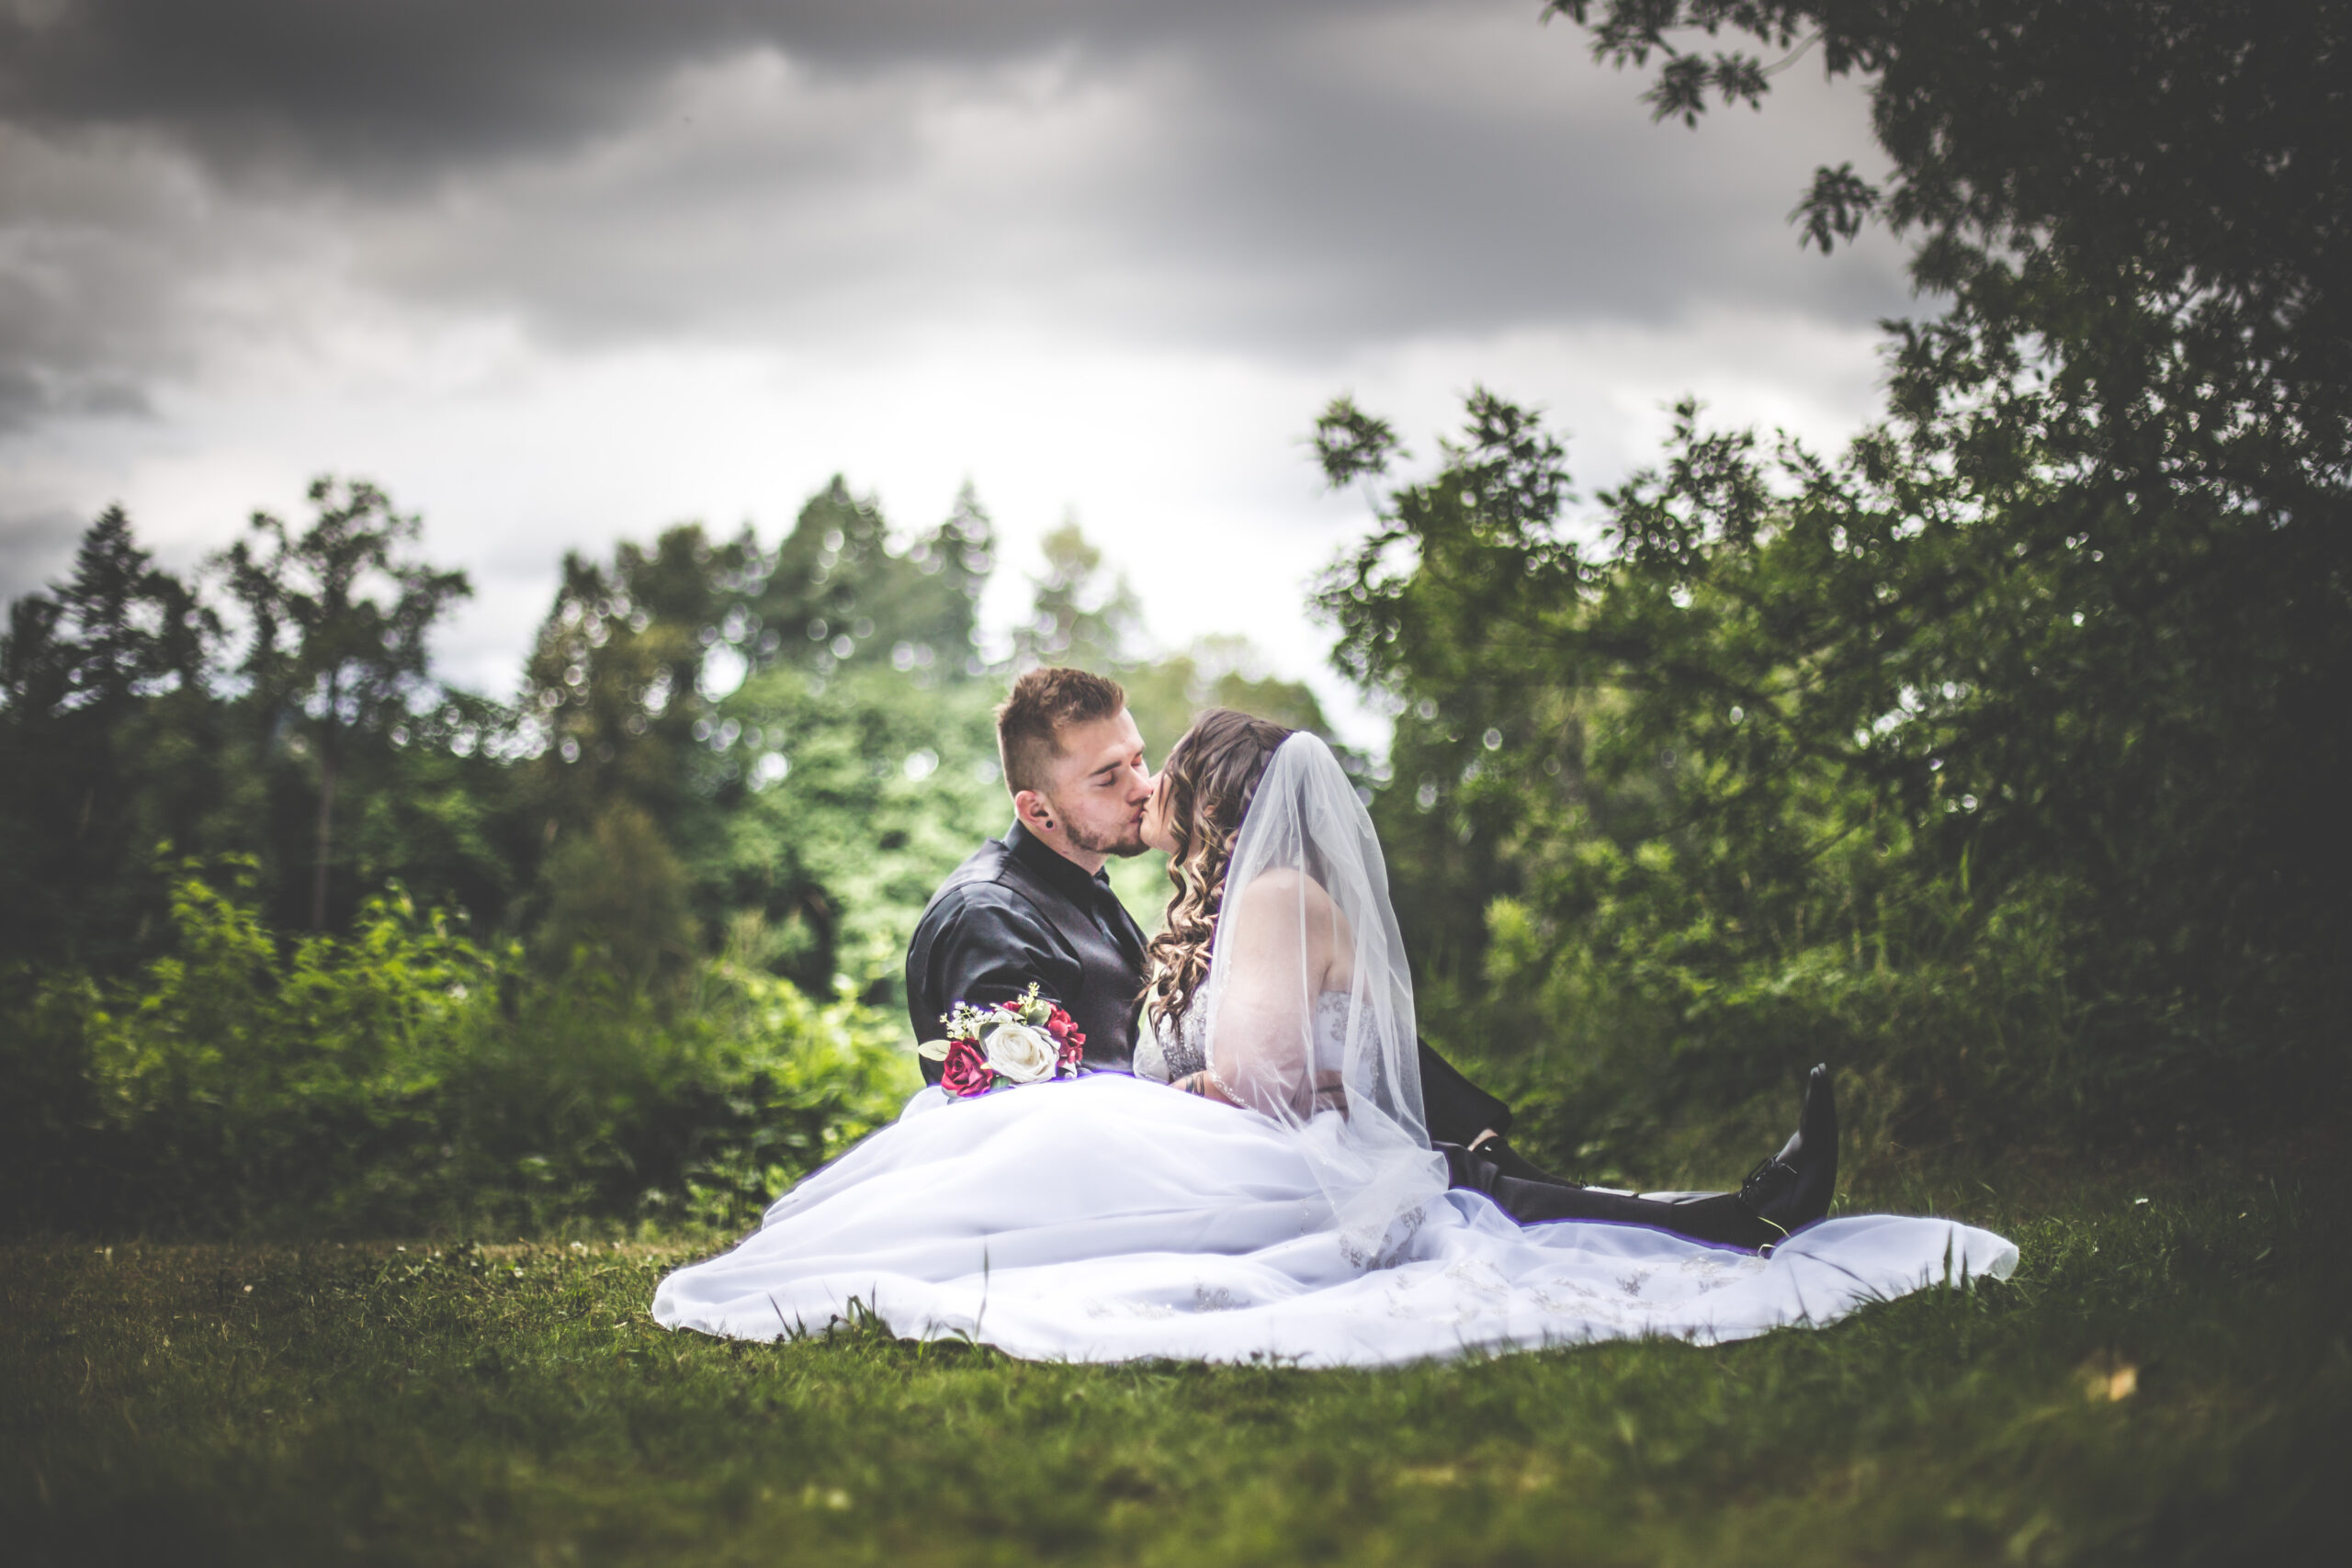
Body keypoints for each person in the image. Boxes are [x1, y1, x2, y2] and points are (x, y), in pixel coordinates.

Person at [652, 708, 2016, 1366]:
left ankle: (1727, 1216)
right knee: (1477, 1194)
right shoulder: (1083, 907)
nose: (1146, 796)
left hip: (1271, 1135)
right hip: (1244, 1132)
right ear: (1040, 798)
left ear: (1213, 803)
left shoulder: (1275, 898)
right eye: (1115, 774)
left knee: (1479, 1204)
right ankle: (1725, 1209)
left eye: (1158, 776)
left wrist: (1174, 1092)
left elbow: (1253, 1073)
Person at [905, 667, 1517, 1150]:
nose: (1143, 785)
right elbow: (1018, 1110)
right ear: (1038, 811)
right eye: (1108, 776)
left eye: (1140, 758)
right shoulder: (986, 916)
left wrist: (1454, 1120)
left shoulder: (1111, 899)